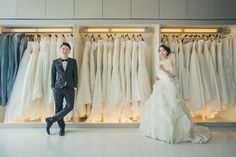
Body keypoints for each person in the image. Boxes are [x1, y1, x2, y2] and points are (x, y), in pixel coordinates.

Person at [140, 45, 211, 144]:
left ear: (167, 52)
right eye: (160, 51)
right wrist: (157, 79)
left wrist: (163, 69)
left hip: (168, 87)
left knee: (170, 108)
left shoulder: (170, 61)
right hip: (160, 86)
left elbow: (172, 76)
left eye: (163, 50)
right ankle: (158, 131)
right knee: (159, 107)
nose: (161, 53)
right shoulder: (159, 62)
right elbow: (159, 75)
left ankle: (172, 132)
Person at [45, 42, 78, 136]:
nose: (65, 51)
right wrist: (52, 86)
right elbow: (52, 75)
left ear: (69, 51)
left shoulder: (73, 61)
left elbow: (75, 74)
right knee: (58, 109)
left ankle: (51, 120)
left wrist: (75, 85)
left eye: (67, 49)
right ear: (60, 50)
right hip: (58, 88)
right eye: (63, 49)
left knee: (70, 106)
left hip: (70, 87)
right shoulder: (55, 62)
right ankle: (62, 128)